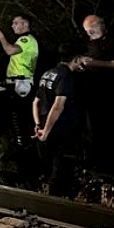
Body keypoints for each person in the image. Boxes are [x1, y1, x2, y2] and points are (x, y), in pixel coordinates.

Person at [74, 14, 114, 176]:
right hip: (92, 95)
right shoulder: (89, 44)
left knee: (112, 134)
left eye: (92, 29)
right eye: (87, 31)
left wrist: (98, 63)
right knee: (92, 133)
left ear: (101, 25)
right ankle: (94, 171)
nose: (89, 33)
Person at [33, 44, 86, 199]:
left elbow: (35, 102)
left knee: (50, 166)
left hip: (43, 123)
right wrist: (46, 132)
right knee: (61, 167)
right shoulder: (66, 75)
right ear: (76, 59)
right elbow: (58, 105)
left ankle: (47, 197)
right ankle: (54, 204)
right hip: (60, 126)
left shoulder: (48, 73)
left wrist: (38, 125)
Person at [0, 15, 39, 147]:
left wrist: (1, 38)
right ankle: (14, 146)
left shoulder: (26, 39)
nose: (12, 25)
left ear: (24, 24)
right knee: (12, 118)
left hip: (22, 84)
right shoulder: (23, 40)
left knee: (19, 120)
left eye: (15, 23)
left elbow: (10, 50)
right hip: (15, 83)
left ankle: (25, 148)